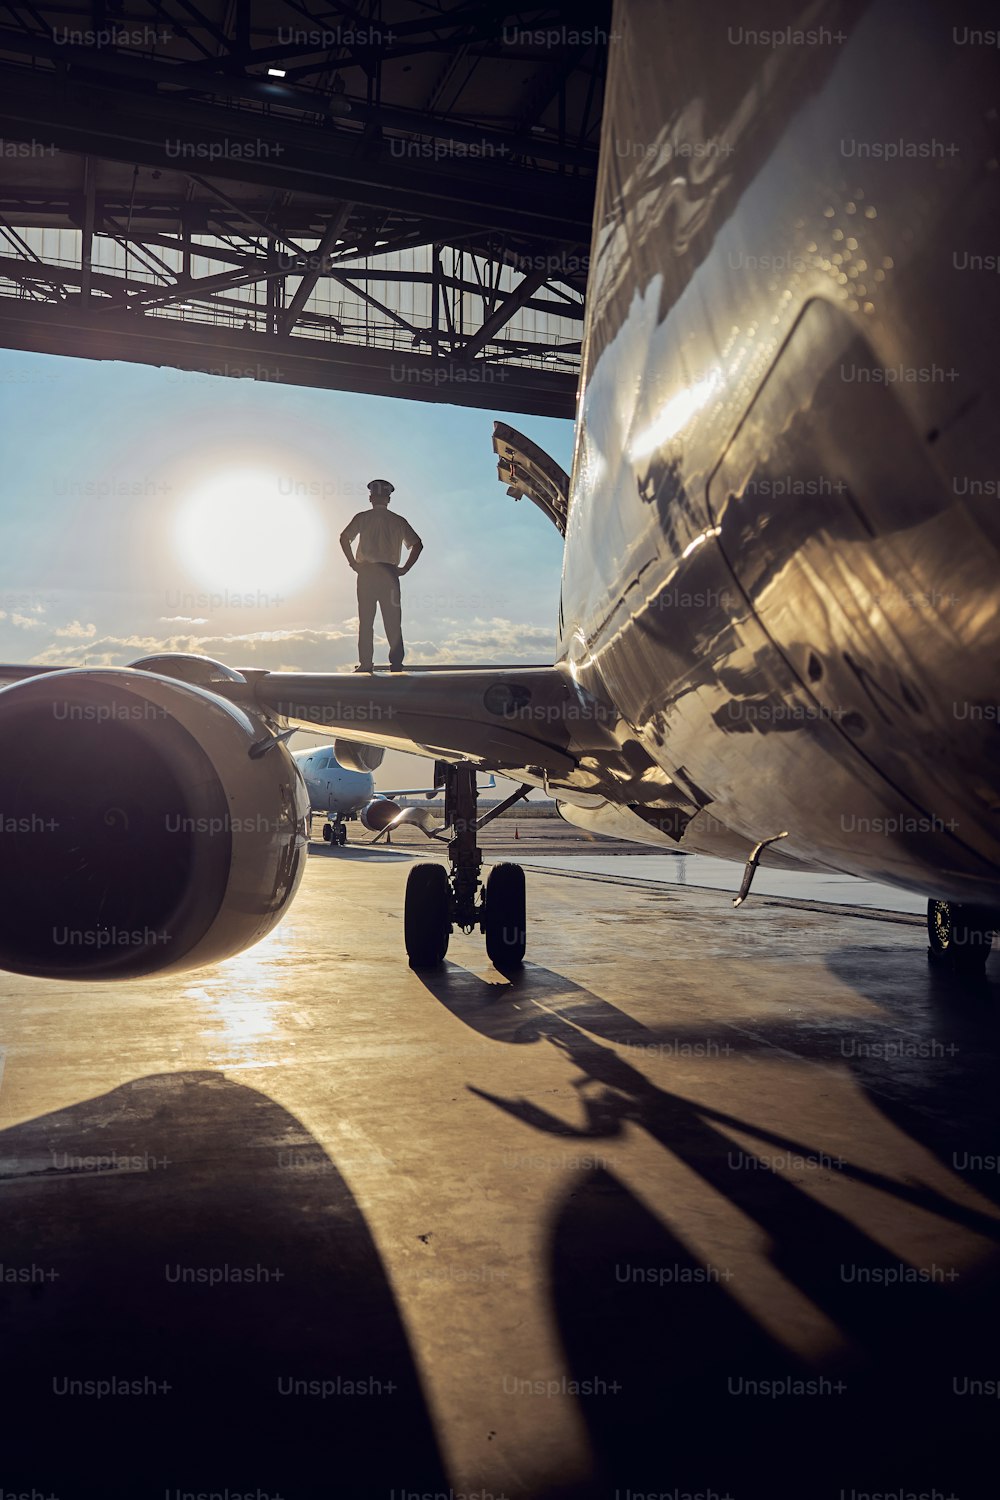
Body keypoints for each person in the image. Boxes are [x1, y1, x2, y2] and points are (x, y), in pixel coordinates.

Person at [339, 479, 423, 673]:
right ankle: (396, 664)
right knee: (393, 620)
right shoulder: (398, 521)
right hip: (390, 574)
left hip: (367, 573)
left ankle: (366, 663)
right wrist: (405, 568)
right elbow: (417, 544)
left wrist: (353, 563)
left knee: (366, 620)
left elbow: (344, 538)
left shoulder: (362, 517)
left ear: (371, 498)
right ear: (389, 499)